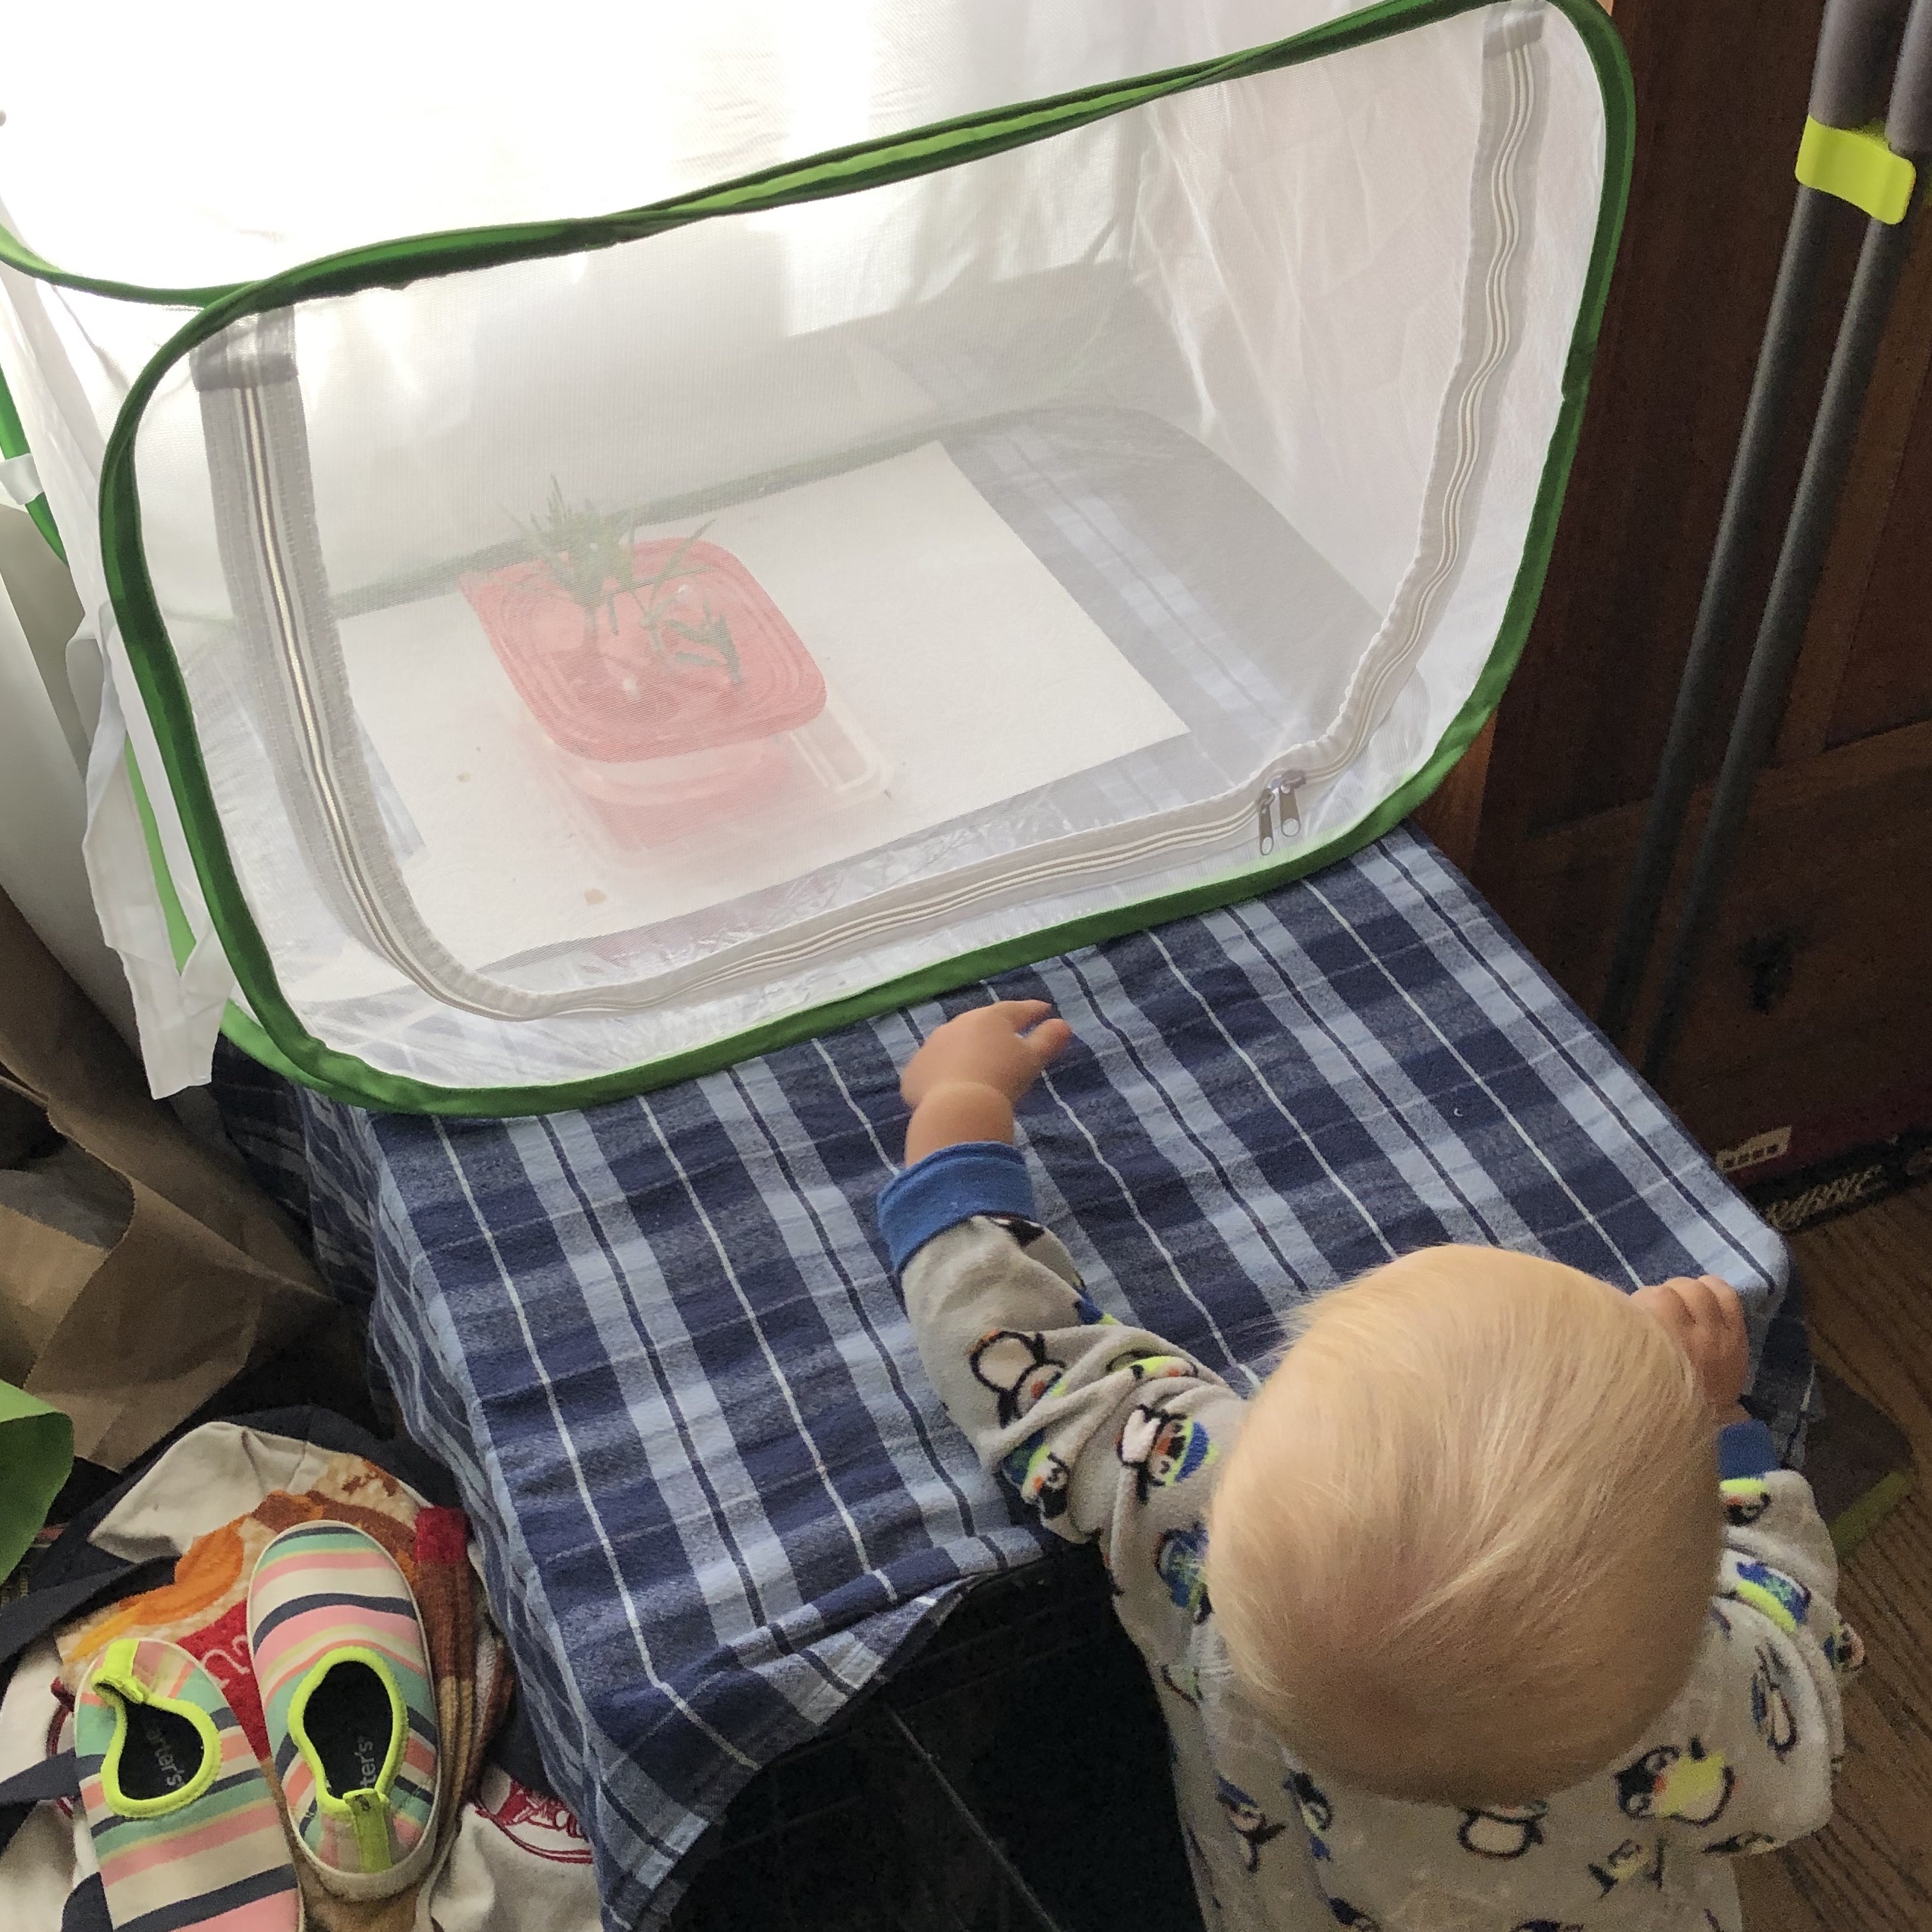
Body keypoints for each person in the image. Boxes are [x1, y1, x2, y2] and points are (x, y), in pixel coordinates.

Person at [876, 1000, 1862, 1931]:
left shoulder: (1203, 1508)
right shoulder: (1696, 1699)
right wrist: (1719, 1434)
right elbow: (1797, 1677)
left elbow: (1027, 1362)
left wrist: (959, 1111)